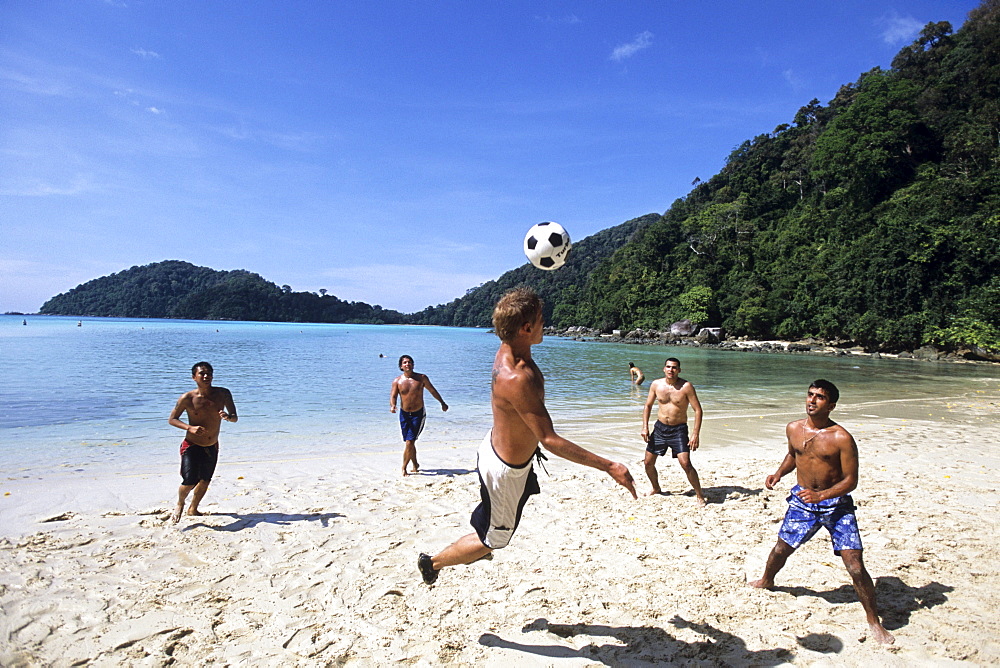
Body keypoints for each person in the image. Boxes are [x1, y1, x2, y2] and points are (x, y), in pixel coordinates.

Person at [418, 288, 636, 584]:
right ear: (526, 328)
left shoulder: (509, 349)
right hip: (505, 471)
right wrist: (610, 466)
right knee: (495, 539)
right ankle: (433, 563)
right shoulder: (516, 377)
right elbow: (549, 440)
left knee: (495, 518)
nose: (545, 324)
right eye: (541, 320)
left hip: (497, 449)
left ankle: (485, 522)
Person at [750, 380, 895, 645]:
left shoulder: (841, 437)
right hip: (803, 502)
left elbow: (851, 480)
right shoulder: (794, 428)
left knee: (854, 563)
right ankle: (767, 580)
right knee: (782, 548)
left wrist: (822, 495)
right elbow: (794, 455)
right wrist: (779, 473)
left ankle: (874, 621)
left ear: (831, 405)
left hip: (837, 505)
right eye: (810, 395)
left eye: (820, 397)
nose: (812, 401)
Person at [168, 362, 238, 524]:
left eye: (209, 373)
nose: (206, 376)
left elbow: (235, 417)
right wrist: (189, 427)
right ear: (194, 377)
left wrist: (228, 417)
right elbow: (172, 419)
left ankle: (193, 509)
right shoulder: (187, 398)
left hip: (211, 445)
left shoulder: (223, 394)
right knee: (190, 480)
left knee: (205, 480)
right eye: (202, 374)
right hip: (192, 445)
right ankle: (180, 503)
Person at [640, 357, 705, 504]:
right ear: (664, 369)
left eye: (674, 367)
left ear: (679, 370)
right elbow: (648, 406)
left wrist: (695, 434)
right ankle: (656, 488)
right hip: (660, 429)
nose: (671, 370)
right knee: (648, 462)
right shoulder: (656, 385)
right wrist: (645, 427)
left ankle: (699, 494)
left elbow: (698, 410)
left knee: (686, 463)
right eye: (668, 367)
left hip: (679, 430)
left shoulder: (686, 386)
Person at [390, 355, 448, 476]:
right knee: (409, 441)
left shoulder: (421, 378)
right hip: (404, 414)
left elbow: (432, 390)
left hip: (418, 414)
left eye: (409, 362)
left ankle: (404, 468)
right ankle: (415, 464)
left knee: (409, 442)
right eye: (405, 363)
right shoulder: (397, 381)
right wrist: (393, 405)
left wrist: (442, 402)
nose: (407, 364)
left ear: (413, 364)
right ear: (401, 366)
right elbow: (394, 396)